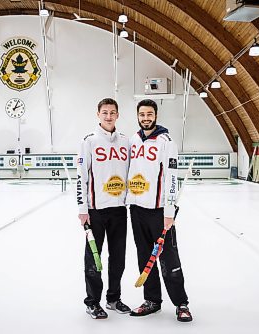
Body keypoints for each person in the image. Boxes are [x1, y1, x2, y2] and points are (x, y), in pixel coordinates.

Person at [126, 99, 192, 322]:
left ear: (156, 115)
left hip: (159, 211)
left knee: (168, 257)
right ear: (138, 116)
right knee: (145, 257)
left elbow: (172, 178)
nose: (146, 118)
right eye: (142, 114)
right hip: (136, 209)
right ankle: (152, 300)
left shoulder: (166, 141)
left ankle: (181, 303)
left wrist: (169, 211)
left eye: (149, 114)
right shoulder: (133, 140)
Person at [77, 98, 131, 319]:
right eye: (105, 112)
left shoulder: (126, 142)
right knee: (94, 259)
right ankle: (92, 302)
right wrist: (82, 209)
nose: (109, 116)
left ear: (118, 115)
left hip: (119, 210)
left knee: (118, 258)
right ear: (98, 114)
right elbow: (81, 177)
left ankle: (113, 299)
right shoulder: (88, 142)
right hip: (95, 211)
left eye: (113, 113)